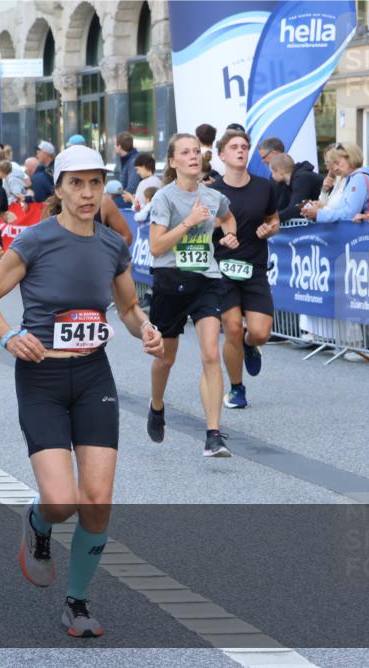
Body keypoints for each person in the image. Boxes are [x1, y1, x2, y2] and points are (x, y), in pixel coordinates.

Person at [0, 144, 164, 639]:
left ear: (104, 188)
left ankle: (76, 602)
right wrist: (11, 336)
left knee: (97, 500)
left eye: (94, 183)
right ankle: (38, 523)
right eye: (75, 184)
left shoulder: (111, 245)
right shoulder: (36, 241)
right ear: (57, 189)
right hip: (42, 378)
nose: (86, 193)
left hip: (93, 376)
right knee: (61, 502)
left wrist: (145, 326)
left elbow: (125, 307)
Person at [146, 133, 240, 458]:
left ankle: (213, 434)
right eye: (185, 152)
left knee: (210, 354)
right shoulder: (164, 198)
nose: (192, 156)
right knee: (165, 358)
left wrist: (229, 236)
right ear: (172, 161)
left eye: (196, 151)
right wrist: (188, 222)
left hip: (206, 280)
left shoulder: (213, 197)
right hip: (170, 281)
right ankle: (156, 405)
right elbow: (156, 247)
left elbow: (228, 218)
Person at [209, 129, 279, 410]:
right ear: (222, 155)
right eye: (234, 147)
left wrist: (269, 229)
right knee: (233, 327)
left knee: (260, 332)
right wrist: (218, 230)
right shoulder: (212, 192)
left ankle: (251, 345)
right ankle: (237, 388)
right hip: (222, 269)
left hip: (254, 267)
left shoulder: (264, 187)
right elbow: (198, 229)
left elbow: (273, 220)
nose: (241, 151)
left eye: (245, 146)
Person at [300, 142, 369, 223]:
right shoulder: (355, 177)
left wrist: (319, 213)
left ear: (350, 158)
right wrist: (321, 209)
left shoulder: (358, 178)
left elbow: (349, 214)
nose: (335, 168)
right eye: (332, 163)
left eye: (337, 163)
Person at [269, 153, 323, 222]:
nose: (272, 176)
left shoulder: (302, 178)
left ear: (281, 172)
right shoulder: (286, 182)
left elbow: (295, 209)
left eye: (273, 172)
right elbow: (281, 206)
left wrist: (270, 220)